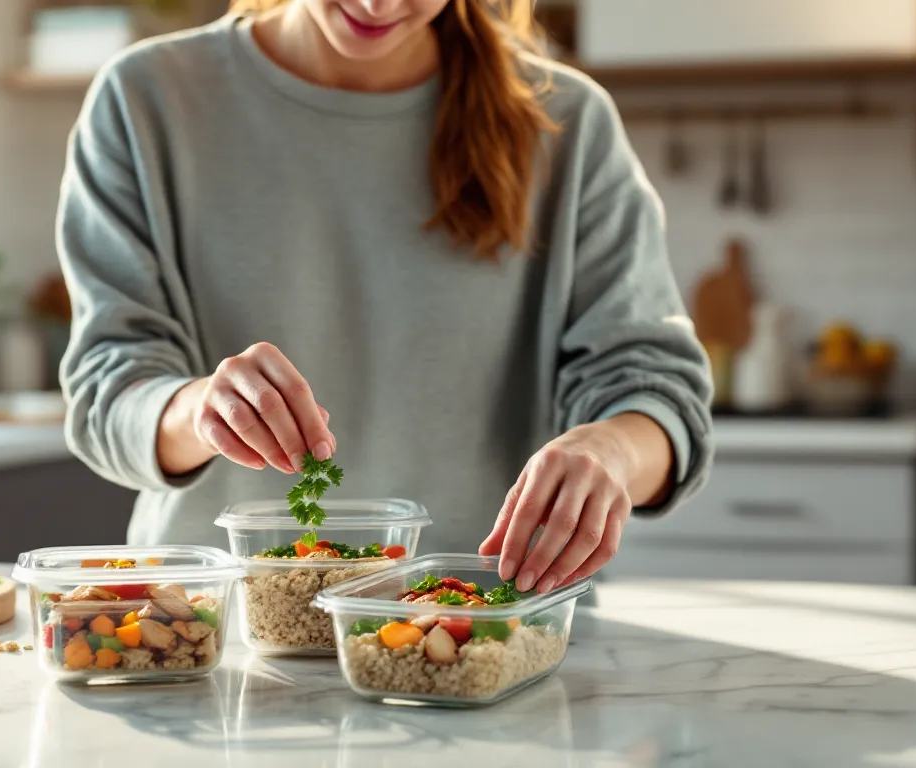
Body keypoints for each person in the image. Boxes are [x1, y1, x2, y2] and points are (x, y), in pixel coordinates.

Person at [55, 0, 713, 595]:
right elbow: (109, 392)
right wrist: (201, 410)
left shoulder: (566, 121)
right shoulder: (147, 99)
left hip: (486, 630)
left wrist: (614, 451)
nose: (381, 4)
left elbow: (656, 392)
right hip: (207, 629)